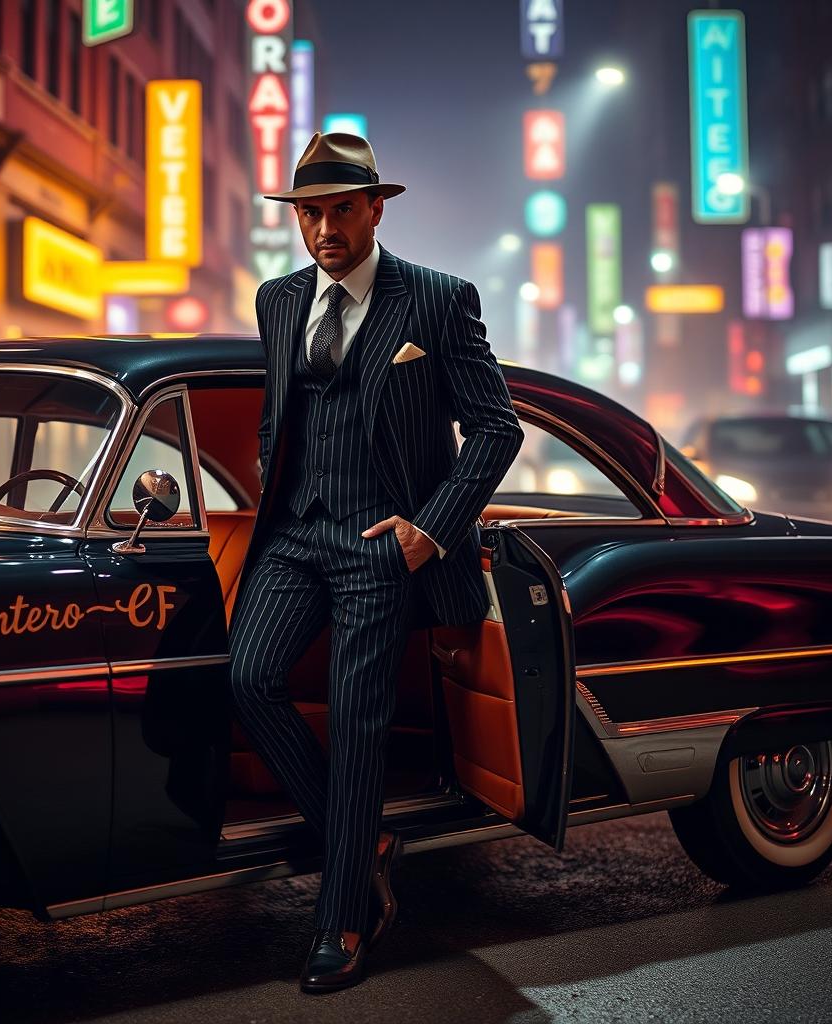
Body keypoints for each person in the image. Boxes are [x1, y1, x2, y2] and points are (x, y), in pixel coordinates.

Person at [228, 131, 524, 993]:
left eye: (341, 210)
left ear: (375, 209)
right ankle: (362, 840)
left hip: (380, 543)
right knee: (247, 679)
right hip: (293, 533)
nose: (324, 228)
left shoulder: (435, 300)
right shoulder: (277, 300)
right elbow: (277, 414)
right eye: (309, 213)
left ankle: (345, 917)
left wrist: (429, 529)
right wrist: (268, 482)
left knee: (359, 723)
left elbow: (497, 428)